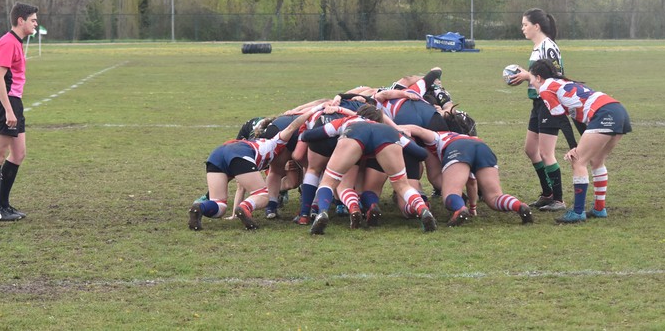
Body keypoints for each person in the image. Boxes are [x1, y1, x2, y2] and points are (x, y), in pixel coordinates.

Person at [300, 104, 437, 235]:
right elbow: (421, 153)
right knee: (402, 185)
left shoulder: (348, 120)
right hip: (387, 136)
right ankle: (423, 209)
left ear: (359, 114)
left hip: (355, 133)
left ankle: (323, 212)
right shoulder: (388, 128)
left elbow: (310, 135)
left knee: (329, 181)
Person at [528, 59, 631, 223]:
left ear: (539, 78)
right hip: (617, 110)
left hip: (603, 113)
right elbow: (577, 117)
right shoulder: (562, 82)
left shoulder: (546, 88)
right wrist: (578, 145)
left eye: (531, 79)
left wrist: (574, 148)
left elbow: (562, 120)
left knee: (578, 161)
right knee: (596, 160)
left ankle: (577, 212)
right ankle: (599, 209)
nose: (532, 83)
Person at [188, 109, 314, 231]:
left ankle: (201, 207)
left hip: (216, 153)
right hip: (239, 154)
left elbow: (238, 184)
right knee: (264, 195)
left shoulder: (251, 140)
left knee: (219, 205)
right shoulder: (275, 141)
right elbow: (292, 127)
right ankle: (245, 207)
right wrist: (312, 111)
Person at [506, 8, 578, 212]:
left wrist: (527, 76)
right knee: (531, 149)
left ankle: (558, 199)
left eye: (525, 24)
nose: (522, 28)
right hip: (538, 103)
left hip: (549, 102)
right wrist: (526, 76)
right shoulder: (537, 47)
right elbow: (540, 76)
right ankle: (547, 194)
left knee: (546, 153)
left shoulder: (549, 47)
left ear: (536, 26)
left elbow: (556, 77)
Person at [399, 124, 533, 227]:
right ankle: (518, 206)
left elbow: (420, 130)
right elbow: (471, 182)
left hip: (458, 148)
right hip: (483, 147)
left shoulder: (438, 136)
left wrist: (397, 127)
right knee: (494, 197)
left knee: (450, 194)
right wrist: (473, 208)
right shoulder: (466, 137)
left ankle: (460, 209)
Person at [0, 3, 38, 221]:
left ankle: (3, 205)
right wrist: (8, 110)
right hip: (6, 102)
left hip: (15, 102)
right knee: (0, 154)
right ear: (21, 20)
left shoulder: (16, 43)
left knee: (19, 153)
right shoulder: (7, 42)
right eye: (33, 20)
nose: (36, 24)